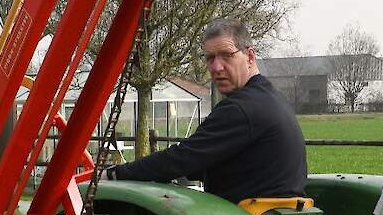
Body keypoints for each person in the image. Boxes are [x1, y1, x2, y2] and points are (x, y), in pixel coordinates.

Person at [107, 19, 307, 204]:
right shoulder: (271, 99)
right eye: (210, 58)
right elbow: (213, 164)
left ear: (250, 56)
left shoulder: (241, 108)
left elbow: (183, 158)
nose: (216, 66)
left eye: (227, 55)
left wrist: (114, 174)